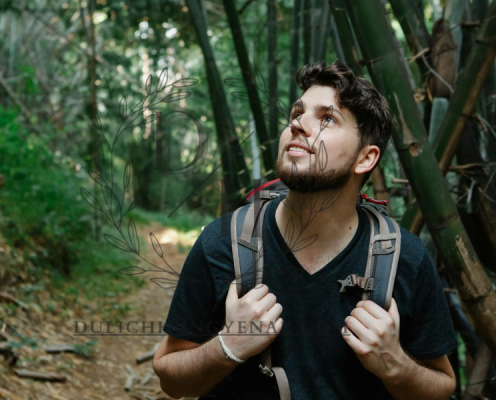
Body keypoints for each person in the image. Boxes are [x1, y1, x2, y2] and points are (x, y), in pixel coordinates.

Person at [152, 60, 458, 400]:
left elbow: (442, 386)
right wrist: (229, 345)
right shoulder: (221, 243)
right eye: (297, 113)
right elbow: (170, 378)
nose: (298, 124)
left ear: (365, 158)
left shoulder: (406, 259)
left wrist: (395, 365)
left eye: (327, 118)